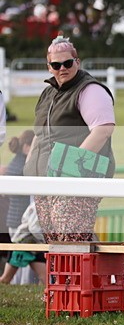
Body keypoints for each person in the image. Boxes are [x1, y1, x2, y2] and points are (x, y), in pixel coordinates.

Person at [23, 35, 116, 242]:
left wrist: (70, 170)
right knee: (55, 242)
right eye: (56, 65)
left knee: (71, 239)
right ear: (49, 67)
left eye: (67, 63)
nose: (62, 68)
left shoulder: (90, 90)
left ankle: (93, 273)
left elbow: (103, 130)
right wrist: (30, 166)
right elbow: (40, 134)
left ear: (77, 62)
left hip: (74, 179)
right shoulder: (48, 94)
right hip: (44, 181)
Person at [0, 130, 46, 284]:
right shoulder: (25, 168)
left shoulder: (14, 165)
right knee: (26, 257)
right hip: (24, 221)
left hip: (16, 220)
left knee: (22, 257)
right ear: (27, 147)